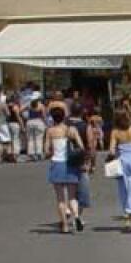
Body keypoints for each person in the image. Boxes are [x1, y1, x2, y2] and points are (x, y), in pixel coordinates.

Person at [43, 104, 84, 233]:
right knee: (72, 197)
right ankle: (77, 217)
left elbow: (46, 151)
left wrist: (50, 153)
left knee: (60, 198)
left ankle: (65, 225)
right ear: (64, 117)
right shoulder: (71, 129)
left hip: (57, 164)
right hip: (71, 164)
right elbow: (81, 147)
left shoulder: (50, 131)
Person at [24, 95, 47, 160]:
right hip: (38, 121)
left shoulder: (29, 105)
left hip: (30, 121)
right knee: (39, 138)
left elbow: (20, 110)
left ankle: (31, 153)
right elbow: (44, 116)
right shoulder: (41, 106)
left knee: (30, 138)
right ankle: (39, 153)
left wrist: (25, 117)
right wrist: (45, 123)